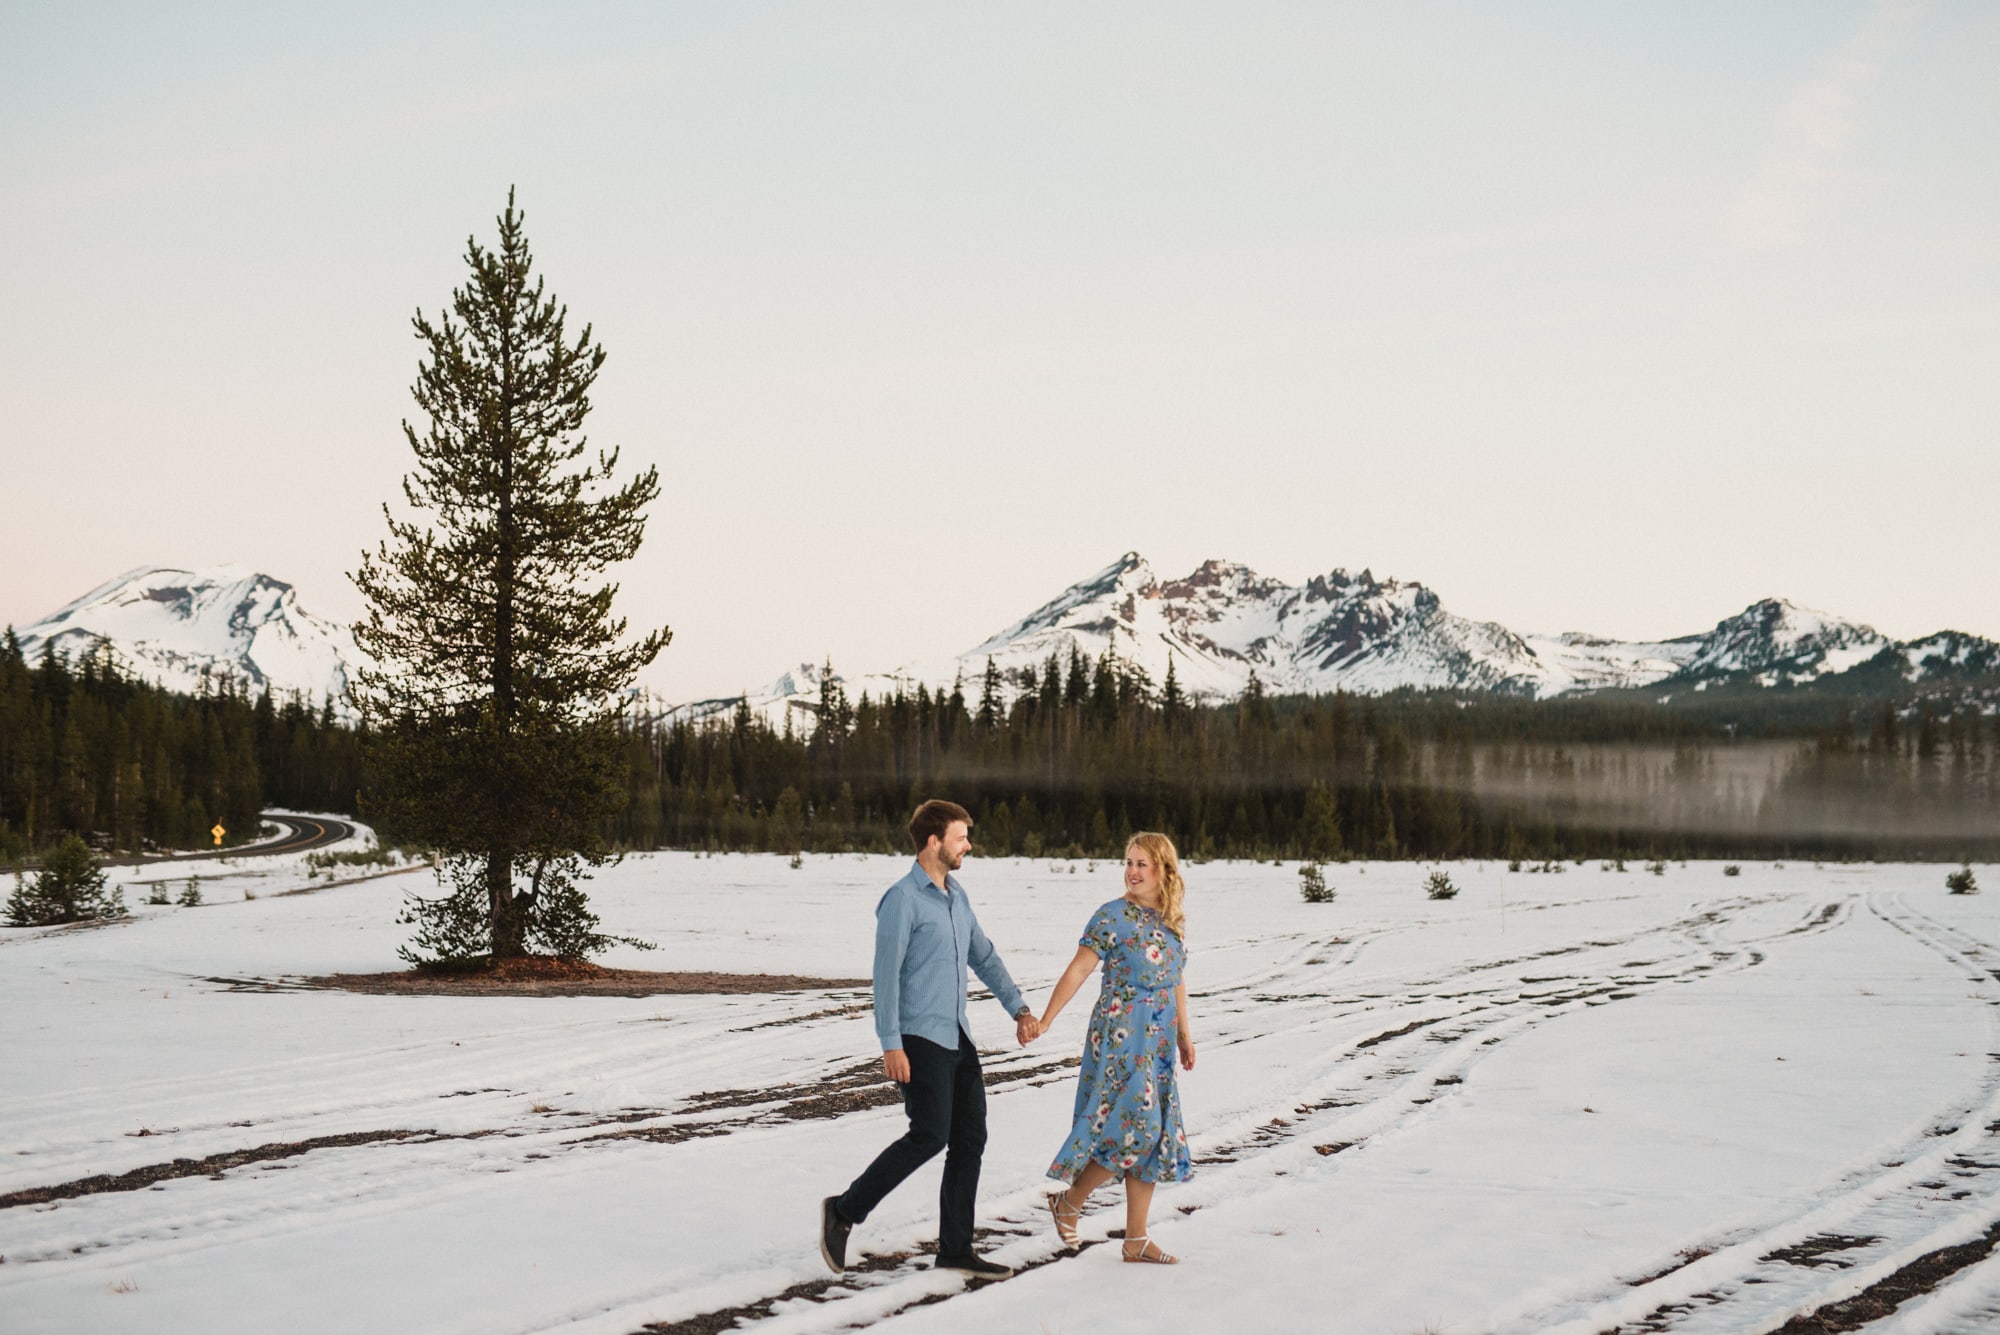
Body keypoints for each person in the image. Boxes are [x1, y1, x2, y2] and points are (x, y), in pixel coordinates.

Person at [820, 799, 1040, 1278]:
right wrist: (890, 1043)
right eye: (962, 837)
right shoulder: (902, 899)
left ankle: (956, 1249)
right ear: (933, 841)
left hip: (957, 1036)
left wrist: (1019, 1008)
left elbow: (984, 955)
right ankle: (843, 1210)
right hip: (918, 1037)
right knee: (929, 1135)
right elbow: (885, 977)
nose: (969, 845)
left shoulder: (956, 896)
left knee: (969, 1138)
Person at [1036, 831, 1195, 1264]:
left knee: (1155, 1131)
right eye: (1129, 862)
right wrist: (1047, 1018)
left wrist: (1183, 1033)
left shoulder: (1171, 919)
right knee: (1135, 1126)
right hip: (1122, 1034)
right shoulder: (1111, 917)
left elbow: (1176, 977)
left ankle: (1136, 1238)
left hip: (1159, 1038)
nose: (1132, 871)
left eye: (1142, 863)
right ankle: (1070, 1201)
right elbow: (1078, 970)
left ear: (1163, 870)